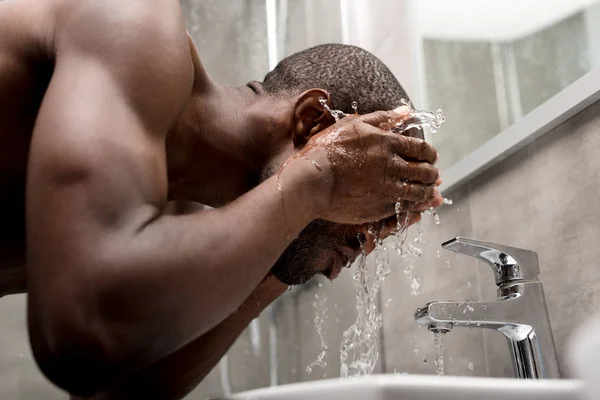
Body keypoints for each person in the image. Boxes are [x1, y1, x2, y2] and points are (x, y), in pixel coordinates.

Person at [0, 0, 442, 398]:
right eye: (370, 198)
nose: (365, 240)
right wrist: (320, 181)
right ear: (311, 122)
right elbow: (83, 331)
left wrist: (283, 261)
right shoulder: (130, 23)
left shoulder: (168, 217)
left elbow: (116, 392)